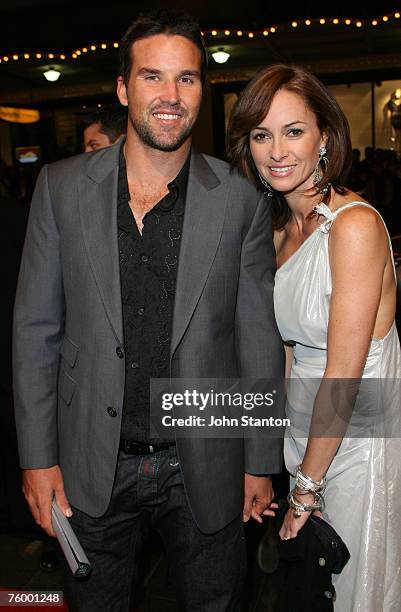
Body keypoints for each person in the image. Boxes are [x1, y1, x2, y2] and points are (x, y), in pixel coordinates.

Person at [12, 10, 284, 612]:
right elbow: (36, 333)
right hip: (91, 460)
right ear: (122, 88)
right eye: (153, 77)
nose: (170, 95)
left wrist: (261, 460)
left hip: (206, 462)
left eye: (186, 79)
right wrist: (38, 458)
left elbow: (257, 339)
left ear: (201, 91)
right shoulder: (60, 189)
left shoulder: (240, 198)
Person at [228, 64, 401, 611]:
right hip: (308, 433)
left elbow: (345, 372)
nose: (276, 150)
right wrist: (268, 456)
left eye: (293, 131)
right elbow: (281, 353)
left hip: (357, 437)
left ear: (325, 136)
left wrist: (309, 485)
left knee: (354, 589)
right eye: (261, 135)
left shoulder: (353, 227)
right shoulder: (279, 229)